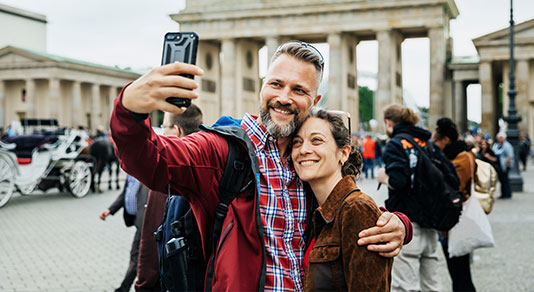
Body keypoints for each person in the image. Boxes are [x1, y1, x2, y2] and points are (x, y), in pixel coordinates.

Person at [111, 41, 412, 291]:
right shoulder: (222, 151)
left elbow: (342, 205)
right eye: (276, 84)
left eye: (299, 90)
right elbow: (154, 160)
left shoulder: (307, 158)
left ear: (315, 99)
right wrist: (130, 110)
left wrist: (397, 223)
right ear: (262, 86)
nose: (284, 98)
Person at [292, 108, 392, 291]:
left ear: (343, 153)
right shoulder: (314, 210)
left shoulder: (356, 210)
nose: (304, 150)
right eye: (297, 142)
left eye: (316, 140)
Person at [376, 105, 457, 292]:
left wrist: (383, 177)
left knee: (405, 286)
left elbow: (399, 181)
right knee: (432, 284)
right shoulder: (426, 143)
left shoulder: (396, 143)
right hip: (431, 221)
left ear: (388, 122)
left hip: (407, 222)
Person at [135, 104, 203, 292]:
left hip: (173, 279)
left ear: (177, 130)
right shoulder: (210, 163)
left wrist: (143, 284)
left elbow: (151, 236)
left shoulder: (168, 171)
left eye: (164, 127)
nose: (162, 133)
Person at [99, 175, 149, 292]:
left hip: (145, 224)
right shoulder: (130, 173)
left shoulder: (144, 172)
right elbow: (126, 194)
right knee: (136, 256)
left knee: (136, 255)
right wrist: (111, 210)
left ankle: (124, 288)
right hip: (137, 221)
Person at [442, 139, 477, 292]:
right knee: (459, 272)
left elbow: (453, 186)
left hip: (455, 222)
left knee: (459, 272)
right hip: (456, 222)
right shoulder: (467, 157)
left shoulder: (462, 161)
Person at [492, 132, 514, 199]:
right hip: (500, 165)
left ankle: (507, 194)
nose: (499, 139)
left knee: (505, 180)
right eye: (499, 138)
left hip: (505, 165)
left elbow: (510, 157)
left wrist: (506, 165)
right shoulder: (498, 145)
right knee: (502, 180)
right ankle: (503, 194)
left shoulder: (507, 146)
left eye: (501, 138)